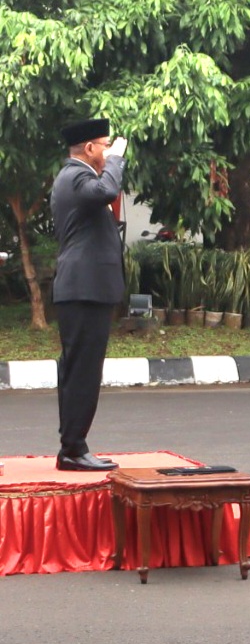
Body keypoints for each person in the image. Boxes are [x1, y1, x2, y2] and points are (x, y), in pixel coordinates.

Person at [50, 118, 128, 471]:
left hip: (85, 288)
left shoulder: (77, 176)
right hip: (83, 289)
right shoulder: (76, 176)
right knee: (82, 371)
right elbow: (106, 192)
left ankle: (73, 446)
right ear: (90, 148)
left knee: (79, 369)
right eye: (105, 145)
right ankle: (73, 448)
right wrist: (117, 160)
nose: (109, 151)